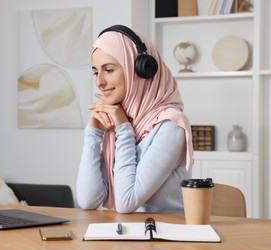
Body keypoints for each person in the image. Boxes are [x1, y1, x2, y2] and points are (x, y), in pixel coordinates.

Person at [76, 24, 193, 214]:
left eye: (109, 70)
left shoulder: (172, 126)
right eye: (96, 72)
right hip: (126, 234)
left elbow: (125, 202)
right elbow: (87, 200)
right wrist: (93, 133)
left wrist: (123, 129)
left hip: (164, 237)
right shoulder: (118, 119)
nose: (99, 82)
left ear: (139, 70)